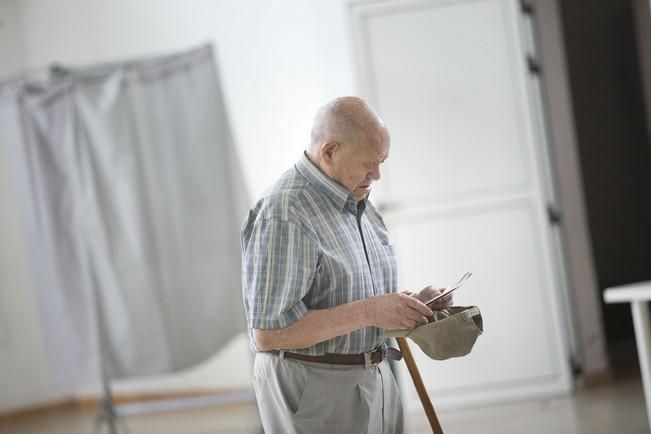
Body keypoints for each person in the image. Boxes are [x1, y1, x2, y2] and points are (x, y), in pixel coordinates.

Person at [241, 96, 453, 434]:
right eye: (370, 162)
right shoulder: (285, 213)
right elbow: (268, 334)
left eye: (382, 161)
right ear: (329, 152)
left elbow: (351, 296)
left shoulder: (358, 199)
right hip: (317, 392)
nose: (378, 174)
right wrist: (370, 312)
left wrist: (412, 305)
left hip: (374, 378)